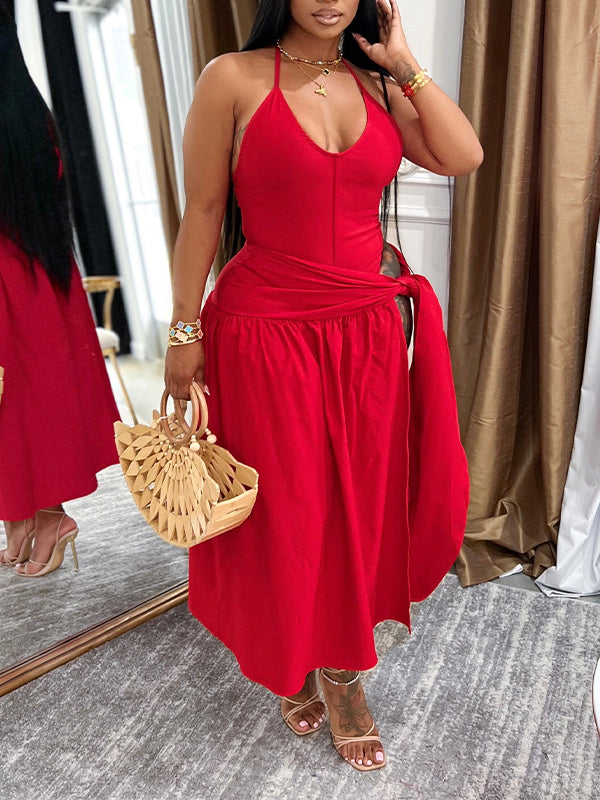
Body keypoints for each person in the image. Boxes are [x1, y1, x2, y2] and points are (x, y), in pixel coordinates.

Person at [165, 0, 482, 771]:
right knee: (290, 507)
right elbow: (203, 209)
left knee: (361, 502)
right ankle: (300, 654)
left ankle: (340, 668)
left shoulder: (378, 86)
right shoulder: (231, 77)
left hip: (364, 331)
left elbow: (462, 153)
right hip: (263, 330)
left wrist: (404, 63)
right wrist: (183, 331)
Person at [0, 7, 120, 577]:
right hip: (36, 280)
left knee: (20, 398)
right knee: (27, 396)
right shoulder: (29, 116)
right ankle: (22, 514)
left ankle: (46, 515)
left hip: (16, 280)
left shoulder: (19, 118)